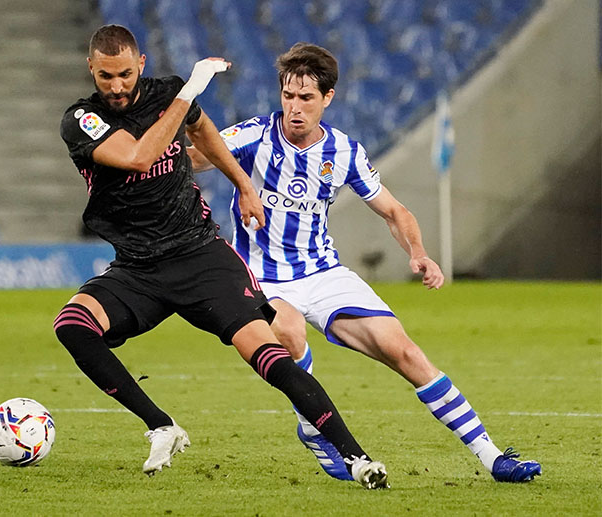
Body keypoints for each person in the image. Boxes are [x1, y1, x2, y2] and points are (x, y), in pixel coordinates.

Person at [188, 42, 542, 484]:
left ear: (328, 97)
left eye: (306, 97)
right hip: (261, 278)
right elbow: (194, 157)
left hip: (324, 273)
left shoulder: (344, 152)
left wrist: (418, 253)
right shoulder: (254, 135)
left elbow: (394, 212)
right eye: (288, 96)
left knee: (405, 352)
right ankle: (312, 426)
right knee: (290, 330)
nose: (294, 107)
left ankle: (493, 458)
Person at [55, 25, 389, 488]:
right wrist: (188, 93)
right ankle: (161, 426)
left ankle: (356, 458)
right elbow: (137, 157)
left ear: (141, 64)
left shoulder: (167, 94)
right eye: (106, 75)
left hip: (200, 255)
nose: (116, 86)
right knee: (73, 325)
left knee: (267, 353)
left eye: (125, 74)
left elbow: (205, 133)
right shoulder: (82, 119)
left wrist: (244, 185)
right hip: (138, 267)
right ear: (91, 67)